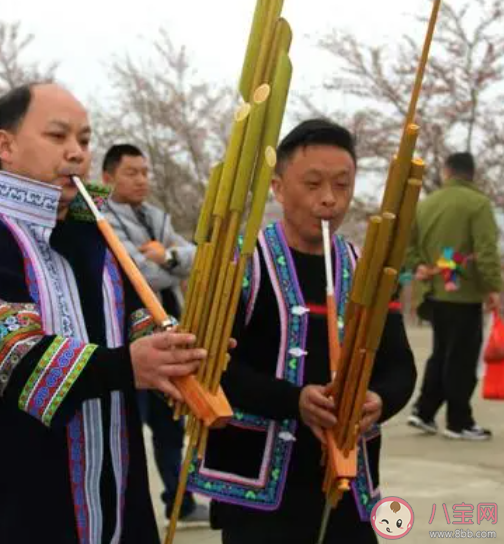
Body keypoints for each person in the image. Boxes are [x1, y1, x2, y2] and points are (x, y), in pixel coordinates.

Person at [0, 82, 208, 543]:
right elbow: (13, 359)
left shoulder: (96, 240)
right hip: (17, 511)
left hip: (118, 500)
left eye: (83, 140)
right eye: (57, 137)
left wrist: (184, 350)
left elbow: (141, 324)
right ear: (5, 144)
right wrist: (130, 364)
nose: (76, 153)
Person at [186, 120, 417, 544]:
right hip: (257, 493)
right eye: (312, 184)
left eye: (342, 185)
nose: (329, 199)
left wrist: (378, 401)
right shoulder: (241, 265)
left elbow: (400, 366)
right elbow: (209, 367)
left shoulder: (367, 269)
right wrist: (294, 401)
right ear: (277, 187)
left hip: (347, 482)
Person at [101, 144, 209, 527]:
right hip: (129, 342)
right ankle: (124, 511)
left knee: (170, 426)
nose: (142, 179)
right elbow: (139, 274)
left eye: (145, 172)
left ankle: (180, 502)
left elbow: (194, 257)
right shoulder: (101, 219)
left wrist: (168, 257)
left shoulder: (156, 217)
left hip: (169, 332)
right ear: (108, 178)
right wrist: (168, 263)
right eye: (132, 172)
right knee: (126, 427)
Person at [406, 151, 501, 440]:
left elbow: (408, 246)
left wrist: (417, 267)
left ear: (447, 172)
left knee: (442, 353)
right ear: (471, 174)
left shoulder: (425, 205)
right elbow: (485, 251)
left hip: (434, 292)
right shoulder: (479, 204)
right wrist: (493, 287)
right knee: (461, 358)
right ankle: (459, 421)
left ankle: (423, 411)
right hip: (464, 294)